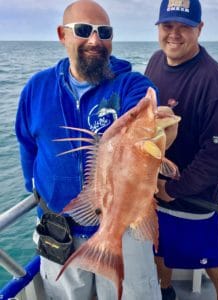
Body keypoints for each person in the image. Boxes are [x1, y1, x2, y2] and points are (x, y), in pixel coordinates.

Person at [15, 1, 162, 299]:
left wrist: (162, 129)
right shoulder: (36, 88)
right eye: (83, 30)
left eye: (104, 32)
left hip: (125, 229)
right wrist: (38, 191)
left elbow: (152, 123)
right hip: (61, 228)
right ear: (62, 34)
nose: (95, 40)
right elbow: (26, 145)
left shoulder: (131, 84)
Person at [145, 1, 218, 300]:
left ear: (200, 28)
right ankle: (165, 288)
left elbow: (217, 156)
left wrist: (175, 188)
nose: (174, 34)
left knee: (210, 252)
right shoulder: (155, 61)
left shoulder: (213, 82)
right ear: (158, 28)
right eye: (167, 26)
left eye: (184, 26)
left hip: (192, 192)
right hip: (154, 186)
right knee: (159, 245)